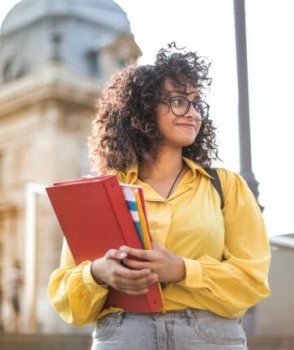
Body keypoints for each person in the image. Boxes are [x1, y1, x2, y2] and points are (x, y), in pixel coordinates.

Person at [48, 43, 270, 349]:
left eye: (196, 103)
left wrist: (181, 269)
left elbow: (253, 279)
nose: (192, 113)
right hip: (124, 335)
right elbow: (65, 295)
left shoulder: (226, 186)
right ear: (143, 110)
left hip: (210, 336)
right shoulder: (100, 193)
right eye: (178, 101)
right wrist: (98, 273)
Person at [8, 260, 23, 332]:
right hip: (15, 294)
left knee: (14, 310)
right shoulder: (17, 273)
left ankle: (15, 325)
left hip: (12, 293)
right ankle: (16, 326)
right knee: (17, 311)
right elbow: (22, 282)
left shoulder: (11, 273)